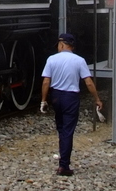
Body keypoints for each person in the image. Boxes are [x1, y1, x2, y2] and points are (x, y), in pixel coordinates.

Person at [40, 33, 103, 176]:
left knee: (61, 129)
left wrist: (44, 100)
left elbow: (45, 82)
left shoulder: (51, 59)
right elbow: (88, 82)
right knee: (68, 130)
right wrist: (97, 99)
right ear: (71, 46)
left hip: (56, 96)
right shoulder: (79, 61)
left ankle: (63, 159)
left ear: (62, 44)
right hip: (71, 97)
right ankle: (64, 166)